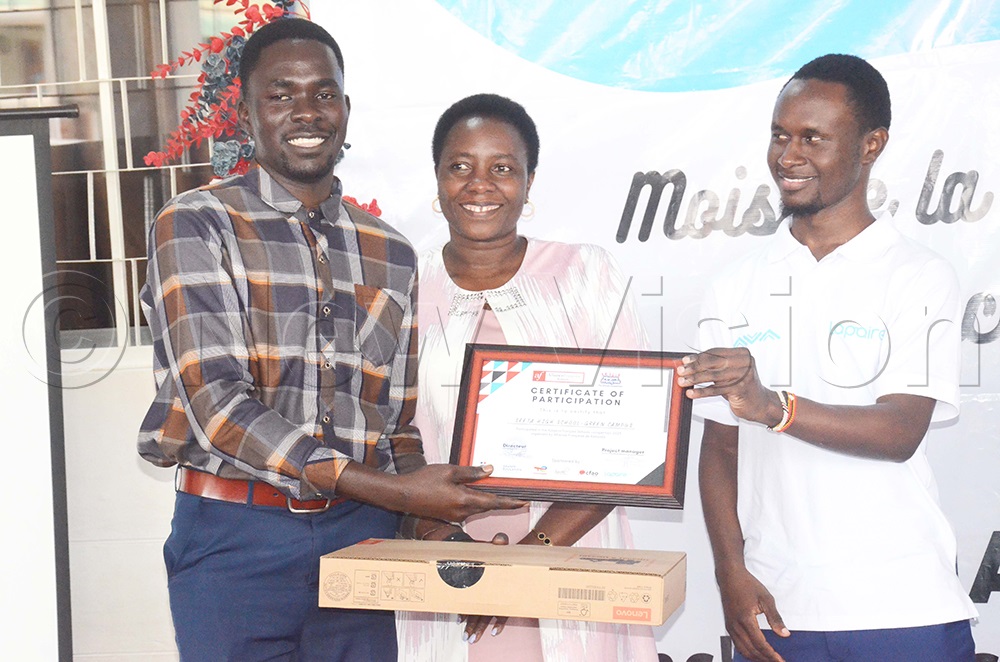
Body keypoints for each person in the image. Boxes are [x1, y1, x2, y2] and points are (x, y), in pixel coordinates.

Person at [137, 19, 524, 662]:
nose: (306, 112)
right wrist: (397, 493)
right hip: (236, 540)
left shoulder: (392, 251)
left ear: (345, 108)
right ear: (247, 111)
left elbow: (394, 427)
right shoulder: (197, 223)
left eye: (323, 93)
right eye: (281, 94)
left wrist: (438, 531)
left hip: (361, 542)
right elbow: (218, 405)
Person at [677, 54, 978, 661]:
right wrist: (730, 576)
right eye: (780, 135)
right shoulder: (733, 284)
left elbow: (899, 431)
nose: (789, 156)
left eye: (813, 137)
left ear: (872, 145)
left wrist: (772, 406)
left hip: (902, 607)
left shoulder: (917, 274)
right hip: (778, 610)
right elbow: (720, 447)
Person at [394, 93, 659, 662]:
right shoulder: (401, 288)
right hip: (447, 569)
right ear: (437, 179)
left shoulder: (587, 273)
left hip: (572, 556)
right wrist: (446, 540)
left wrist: (527, 561)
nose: (479, 184)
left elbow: (628, 440)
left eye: (503, 168)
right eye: (459, 166)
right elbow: (388, 434)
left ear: (530, 180)